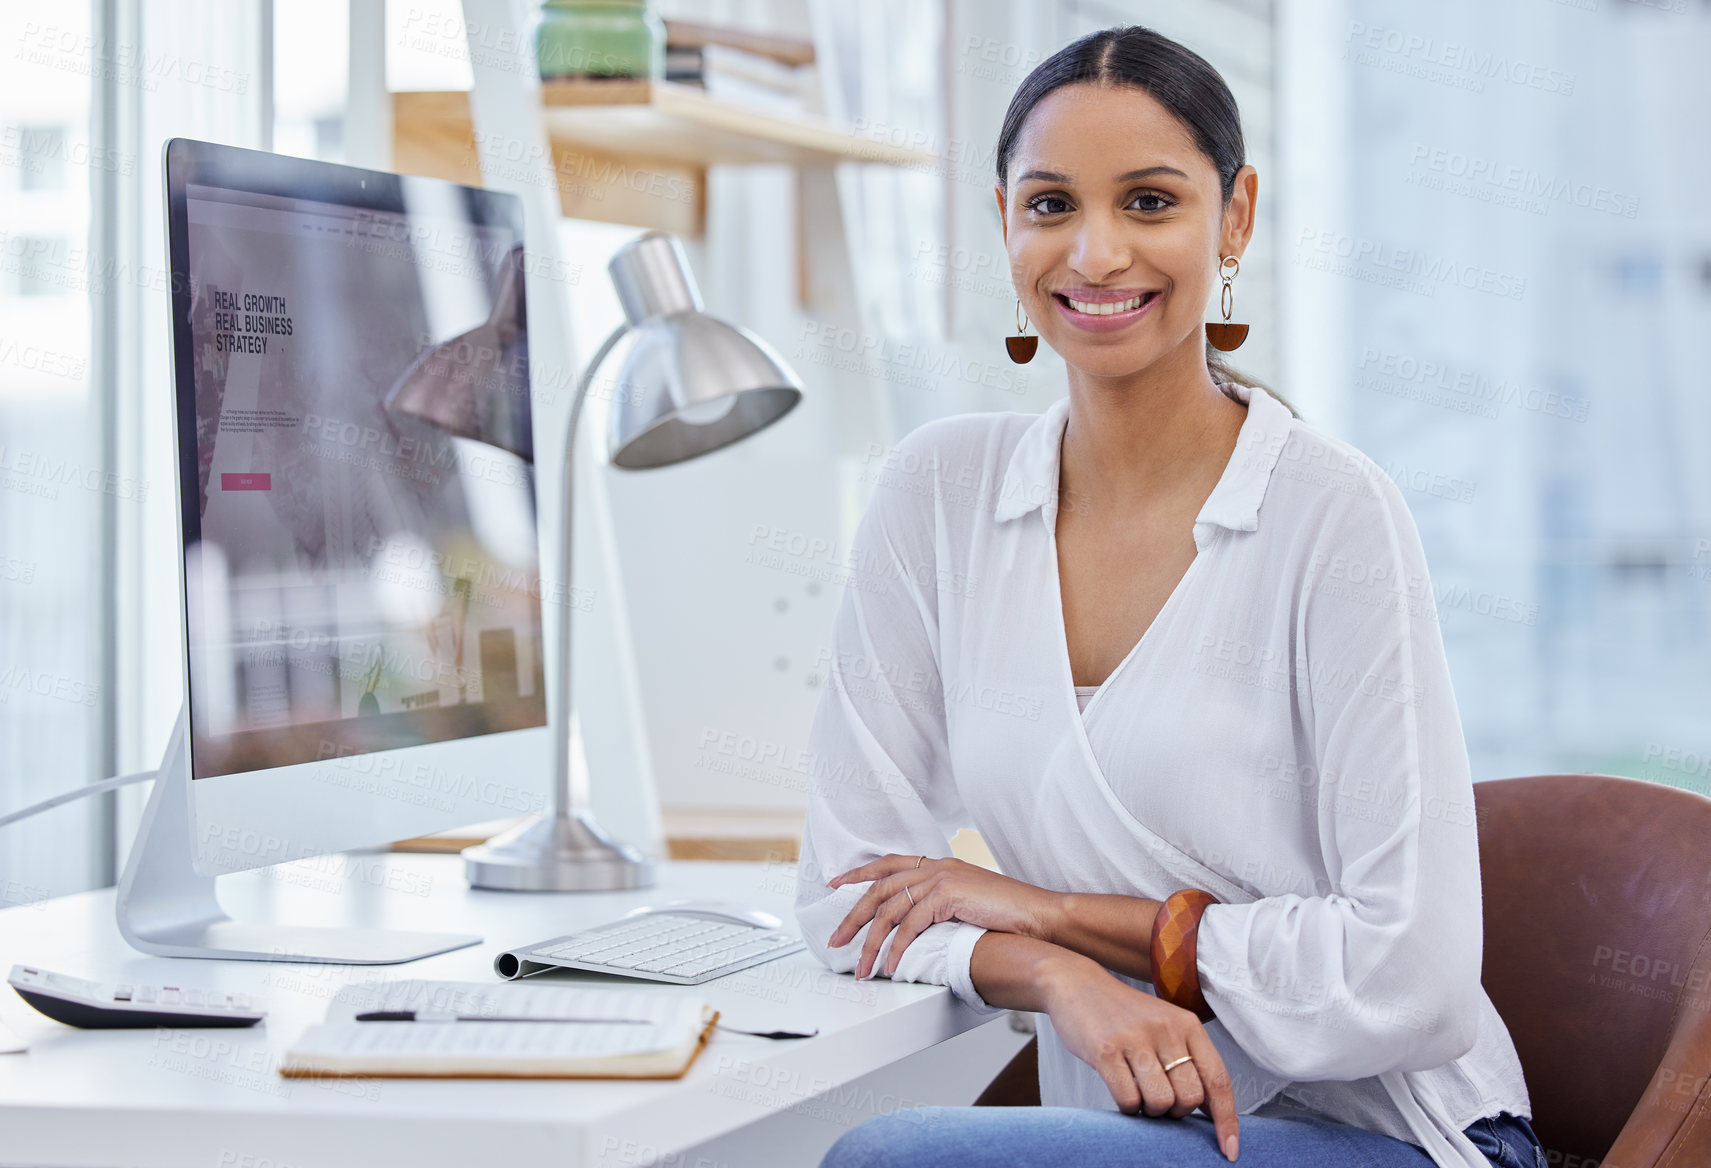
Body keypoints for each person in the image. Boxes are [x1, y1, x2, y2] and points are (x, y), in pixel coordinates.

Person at [794, 24, 1545, 1168]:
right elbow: (848, 898)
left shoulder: (1333, 516)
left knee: (897, 1159)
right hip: (1134, 1120)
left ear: (1234, 216)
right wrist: (1051, 975)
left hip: (1388, 1130)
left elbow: (1414, 974)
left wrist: (1055, 912)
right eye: (1050, 205)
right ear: (1003, 218)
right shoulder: (933, 494)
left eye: (1148, 202)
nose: (1094, 254)